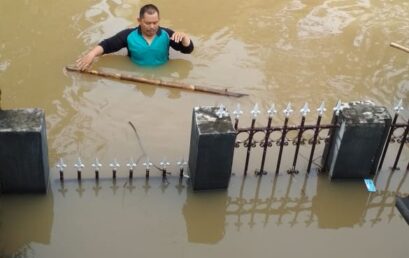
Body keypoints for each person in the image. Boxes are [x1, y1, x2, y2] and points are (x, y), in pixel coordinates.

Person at [76, 4, 193, 70]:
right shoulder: (128, 35)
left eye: (155, 22)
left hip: (163, 74)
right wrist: (91, 54)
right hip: (136, 73)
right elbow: (107, 45)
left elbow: (187, 50)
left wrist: (185, 38)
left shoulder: (167, 34)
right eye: (148, 23)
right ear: (139, 21)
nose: (152, 26)